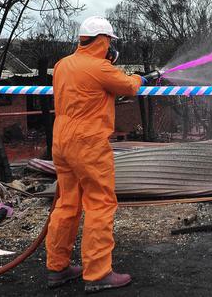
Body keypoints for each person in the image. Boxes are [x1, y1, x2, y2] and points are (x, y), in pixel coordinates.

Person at [45, 16, 159, 293]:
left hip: (61, 140)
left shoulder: (63, 64)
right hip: (88, 142)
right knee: (99, 203)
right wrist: (142, 78)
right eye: (110, 42)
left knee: (67, 204)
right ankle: (97, 273)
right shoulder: (100, 67)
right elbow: (129, 86)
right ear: (103, 41)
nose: (111, 48)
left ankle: (57, 268)